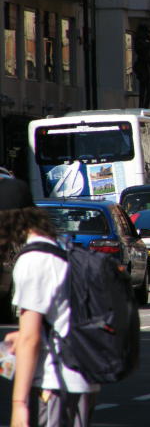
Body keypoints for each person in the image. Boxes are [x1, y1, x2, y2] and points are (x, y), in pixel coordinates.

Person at [1, 178, 98, 427]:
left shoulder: (32, 260)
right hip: (81, 376)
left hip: (55, 382)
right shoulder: (58, 248)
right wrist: (21, 335)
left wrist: (18, 405)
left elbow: (32, 339)